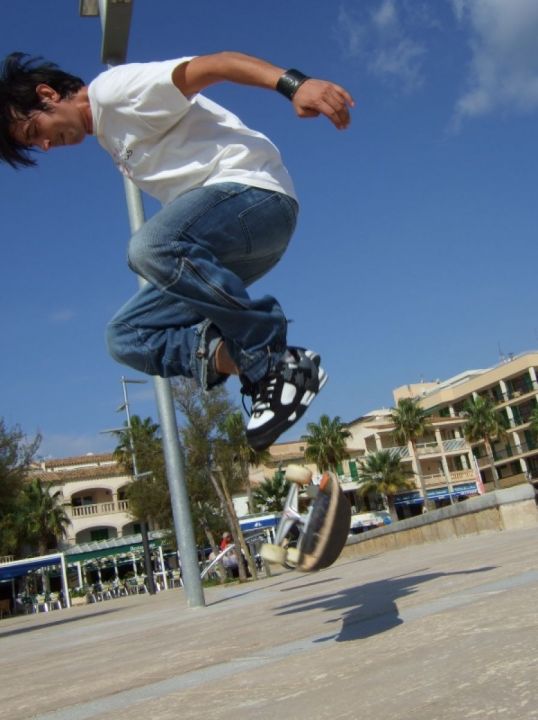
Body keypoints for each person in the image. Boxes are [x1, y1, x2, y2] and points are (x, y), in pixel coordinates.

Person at [0, 51, 354, 450]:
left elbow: (216, 64)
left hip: (256, 198)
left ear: (47, 94)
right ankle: (262, 365)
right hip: (238, 245)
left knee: (149, 248)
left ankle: (268, 356)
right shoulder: (110, 135)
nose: (45, 145)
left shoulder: (114, 91)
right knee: (126, 335)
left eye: (35, 132)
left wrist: (295, 83)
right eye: (35, 145)